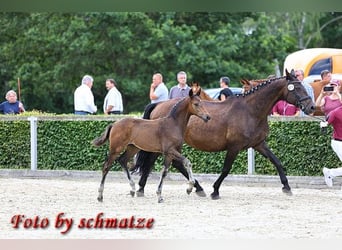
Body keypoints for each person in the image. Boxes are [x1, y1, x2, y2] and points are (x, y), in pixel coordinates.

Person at [321, 105, 342, 187]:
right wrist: (323, 124)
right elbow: (325, 122)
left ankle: (330, 173)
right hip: (339, 143)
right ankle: (330, 173)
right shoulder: (335, 112)